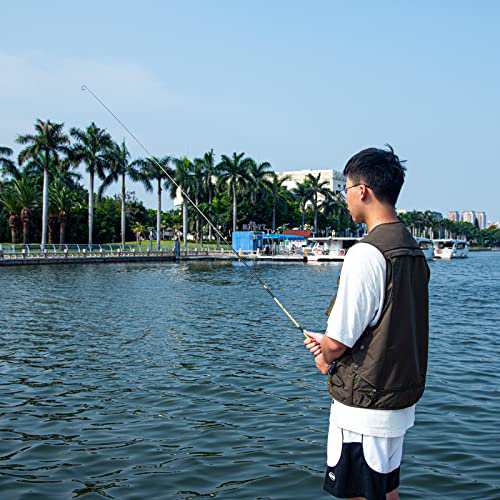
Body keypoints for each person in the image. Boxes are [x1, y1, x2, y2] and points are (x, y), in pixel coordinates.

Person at [304, 145, 430, 500]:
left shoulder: (365, 253)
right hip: (397, 402)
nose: (345, 198)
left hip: (363, 408)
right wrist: (331, 345)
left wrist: (324, 353)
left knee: (359, 494)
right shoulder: (412, 249)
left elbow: (338, 342)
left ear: (363, 190)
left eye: (345, 188)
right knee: (387, 492)